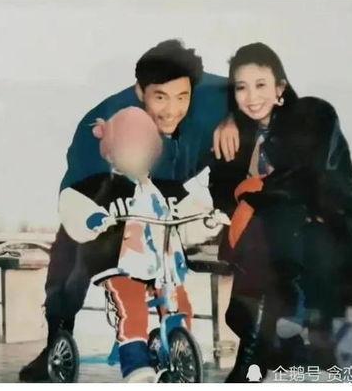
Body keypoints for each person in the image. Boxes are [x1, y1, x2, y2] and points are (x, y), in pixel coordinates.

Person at [19, 39, 239, 382]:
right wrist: (94, 220)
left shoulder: (215, 95)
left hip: (166, 192)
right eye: (159, 98)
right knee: (75, 260)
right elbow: (76, 193)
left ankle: (173, 342)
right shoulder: (104, 124)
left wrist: (235, 119)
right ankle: (57, 341)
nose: (171, 110)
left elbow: (268, 92)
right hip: (108, 192)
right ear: (140, 91)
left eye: (182, 97)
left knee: (177, 286)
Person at [210, 43, 352, 382]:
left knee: (350, 369)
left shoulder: (311, 115)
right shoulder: (240, 139)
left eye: (261, 85)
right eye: (241, 87)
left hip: (334, 265)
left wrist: (253, 190)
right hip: (279, 283)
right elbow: (223, 196)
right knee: (285, 364)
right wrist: (228, 121)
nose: (252, 97)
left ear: (280, 88)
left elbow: (309, 178)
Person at [58, 107, 228, 382]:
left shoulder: (164, 189)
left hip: (162, 264)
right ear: (111, 154)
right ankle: (135, 364)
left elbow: (188, 215)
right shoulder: (100, 186)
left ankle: (174, 347)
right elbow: (73, 202)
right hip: (119, 264)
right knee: (132, 305)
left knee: (179, 303)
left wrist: (209, 219)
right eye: (129, 150)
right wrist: (93, 218)